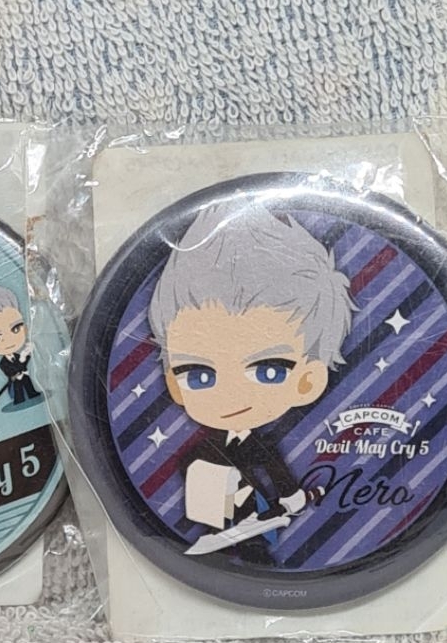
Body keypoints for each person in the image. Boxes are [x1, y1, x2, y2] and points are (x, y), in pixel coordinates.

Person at [147, 202, 355, 546]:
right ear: (174, 385)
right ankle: (216, 527)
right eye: (199, 375)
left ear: (308, 381)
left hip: (258, 531)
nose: (231, 394)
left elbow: (282, 480)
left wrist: (291, 502)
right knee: (199, 463)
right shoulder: (202, 455)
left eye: (269, 371)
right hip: (217, 534)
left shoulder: (264, 448)